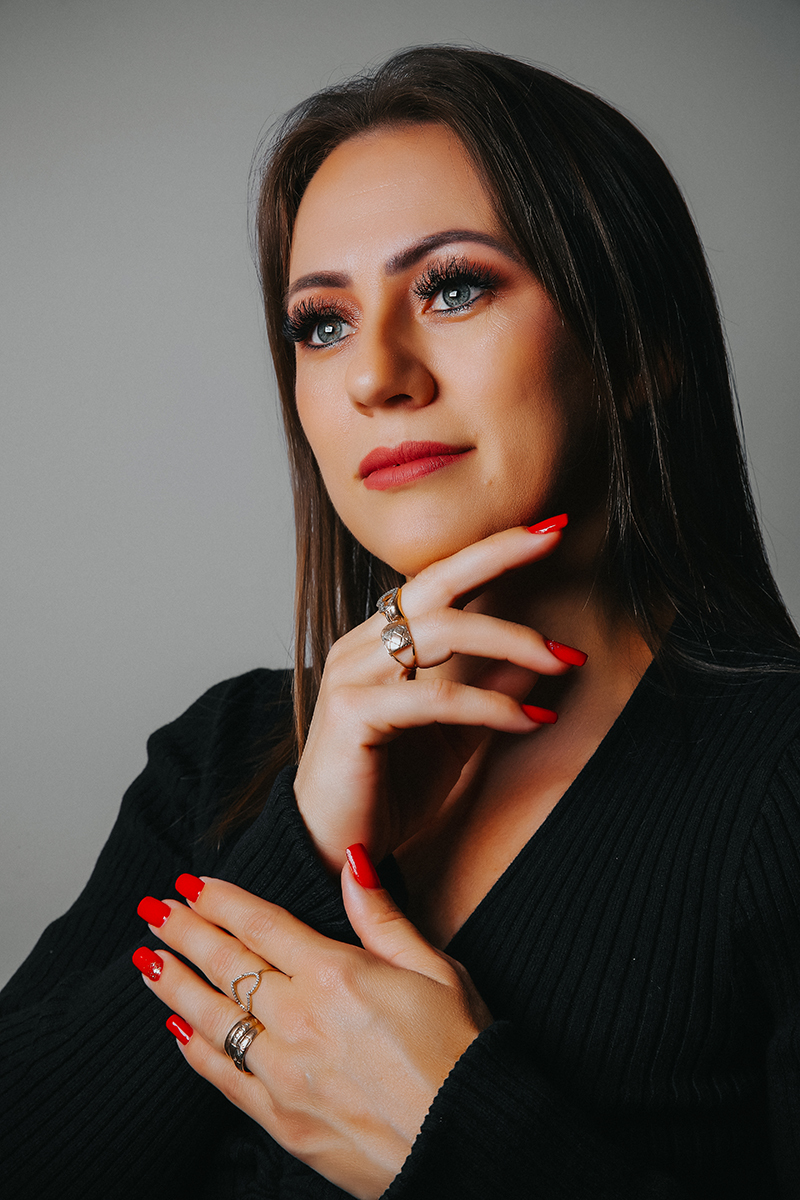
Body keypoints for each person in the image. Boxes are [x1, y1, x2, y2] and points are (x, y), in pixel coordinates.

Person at [2, 45, 799, 1200]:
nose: (373, 374)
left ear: (639, 348)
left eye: (452, 287)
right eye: (320, 323)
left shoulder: (777, 780)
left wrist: (456, 1133)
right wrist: (297, 845)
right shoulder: (219, 760)